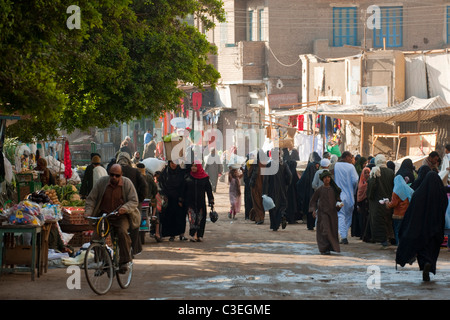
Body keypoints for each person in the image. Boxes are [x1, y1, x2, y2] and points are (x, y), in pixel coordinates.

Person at [84, 164, 140, 273]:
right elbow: (91, 199)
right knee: (96, 238)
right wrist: (88, 212)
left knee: (122, 233)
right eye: (112, 175)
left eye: (117, 175)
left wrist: (125, 208)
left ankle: (124, 261)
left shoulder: (127, 183)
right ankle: (104, 262)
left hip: (120, 217)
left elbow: (134, 201)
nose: (114, 177)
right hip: (104, 216)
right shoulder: (102, 182)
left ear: (121, 175)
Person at [395, 171, 448, 282]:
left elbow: (412, 212)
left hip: (421, 229)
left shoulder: (419, 194)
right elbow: (444, 206)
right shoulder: (441, 194)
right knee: (432, 249)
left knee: (423, 248)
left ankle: (425, 264)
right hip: (436, 227)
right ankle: (430, 264)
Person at [117, 152, 148, 254]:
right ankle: (134, 249)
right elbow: (144, 186)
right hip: (134, 203)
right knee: (134, 225)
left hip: (118, 204)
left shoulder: (113, 171)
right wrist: (139, 199)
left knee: (119, 226)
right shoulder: (134, 171)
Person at [309, 170, 342, 255]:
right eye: (325, 178)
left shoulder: (334, 190)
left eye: (328, 177)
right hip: (322, 213)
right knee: (325, 230)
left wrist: (339, 205)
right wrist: (313, 210)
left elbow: (338, 200)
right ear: (322, 179)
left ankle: (329, 248)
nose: (327, 179)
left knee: (332, 231)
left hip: (332, 214)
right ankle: (324, 248)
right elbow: (313, 201)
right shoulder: (320, 190)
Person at [366, 154, 395, 248]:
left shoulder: (375, 171)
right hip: (389, 201)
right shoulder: (391, 172)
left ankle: (383, 240)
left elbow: (371, 187)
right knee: (388, 220)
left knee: (378, 220)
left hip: (376, 202)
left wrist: (369, 197)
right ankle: (389, 237)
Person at [263, 148, 292, 231]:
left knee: (273, 207)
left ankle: (274, 225)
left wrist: (264, 192)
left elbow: (266, 179)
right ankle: (282, 216)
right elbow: (289, 175)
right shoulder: (283, 164)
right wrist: (287, 183)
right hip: (282, 188)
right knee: (282, 205)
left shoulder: (269, 164)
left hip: (271, 189)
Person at [183, 163, 214, 242]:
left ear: (199, 167)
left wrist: (211, 200)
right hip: (190, 202)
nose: (193, 168)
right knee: (192, 219)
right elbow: (183, 190)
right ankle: (194, 235)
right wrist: (181, 199)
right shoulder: (188, 177)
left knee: (200, 219)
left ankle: (200, 235)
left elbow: (209, 190)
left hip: (201, 202)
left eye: (195, 166)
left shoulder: (205, 178)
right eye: (192, 166)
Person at [158, 160, 188, 241]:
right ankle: (172, 235)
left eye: (175, 163)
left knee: (181, 217)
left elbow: (184, 185)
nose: (173, 165)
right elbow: (160, 184)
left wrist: (181, 198)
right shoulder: (164, 173)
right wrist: (164, 195)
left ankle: (181, 234)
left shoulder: (181, 173)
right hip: (169, 200)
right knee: (170, 217)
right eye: (172, 163)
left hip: (179, 199)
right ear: (169, 163)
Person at [333, 151, 359, 244]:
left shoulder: (336, 166)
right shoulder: (351, 167)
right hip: (350, 196)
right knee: (348, 217)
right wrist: (354, 191)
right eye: (351, 157)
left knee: (340, 215)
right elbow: (355, 180)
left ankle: (343, 236)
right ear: (346, 157)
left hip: (339, 196)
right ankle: (344, 235)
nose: (352, 159)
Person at [386, 175, 413, 245]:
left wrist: (387, 203)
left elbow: (394, 203)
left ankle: (399, 246)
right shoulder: (407, 188)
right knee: (405, 231)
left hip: (398, 214)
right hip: (407, 214)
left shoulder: (396, 191)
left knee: (398, 231)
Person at [296, 153, 321, 230]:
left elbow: (300, 183)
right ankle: (311, 224)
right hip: (313, 192)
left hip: (309, 193)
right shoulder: (314, 169)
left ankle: (311, 225)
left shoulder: (310, 167)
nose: (317, 166)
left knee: (311, 207)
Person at [136, 163, 160, 242]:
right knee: (155, 203)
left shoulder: (134, 178)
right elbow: (155, 189)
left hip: (137, 201)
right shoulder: (149, 178)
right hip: (148, 201)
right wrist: (152, 196)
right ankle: (153, 216)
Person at [249, 150, 266, 225]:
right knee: (261, 203)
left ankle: (259, 218)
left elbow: (250, 173)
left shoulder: (255, 164)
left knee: (256, 202)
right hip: (263, 186)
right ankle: (259, 216)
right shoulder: (266, 164)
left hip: (256, 186)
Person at [357, 167, 371, 242]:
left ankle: (367, 236)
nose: (367, 175)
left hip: (368, 203)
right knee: (362, 219)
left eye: (368, 173)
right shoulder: (361, 182)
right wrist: (358, 204)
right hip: (362, 203)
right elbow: (358, 193)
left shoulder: (371, 182)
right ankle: (362, 235)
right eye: (365, 173)